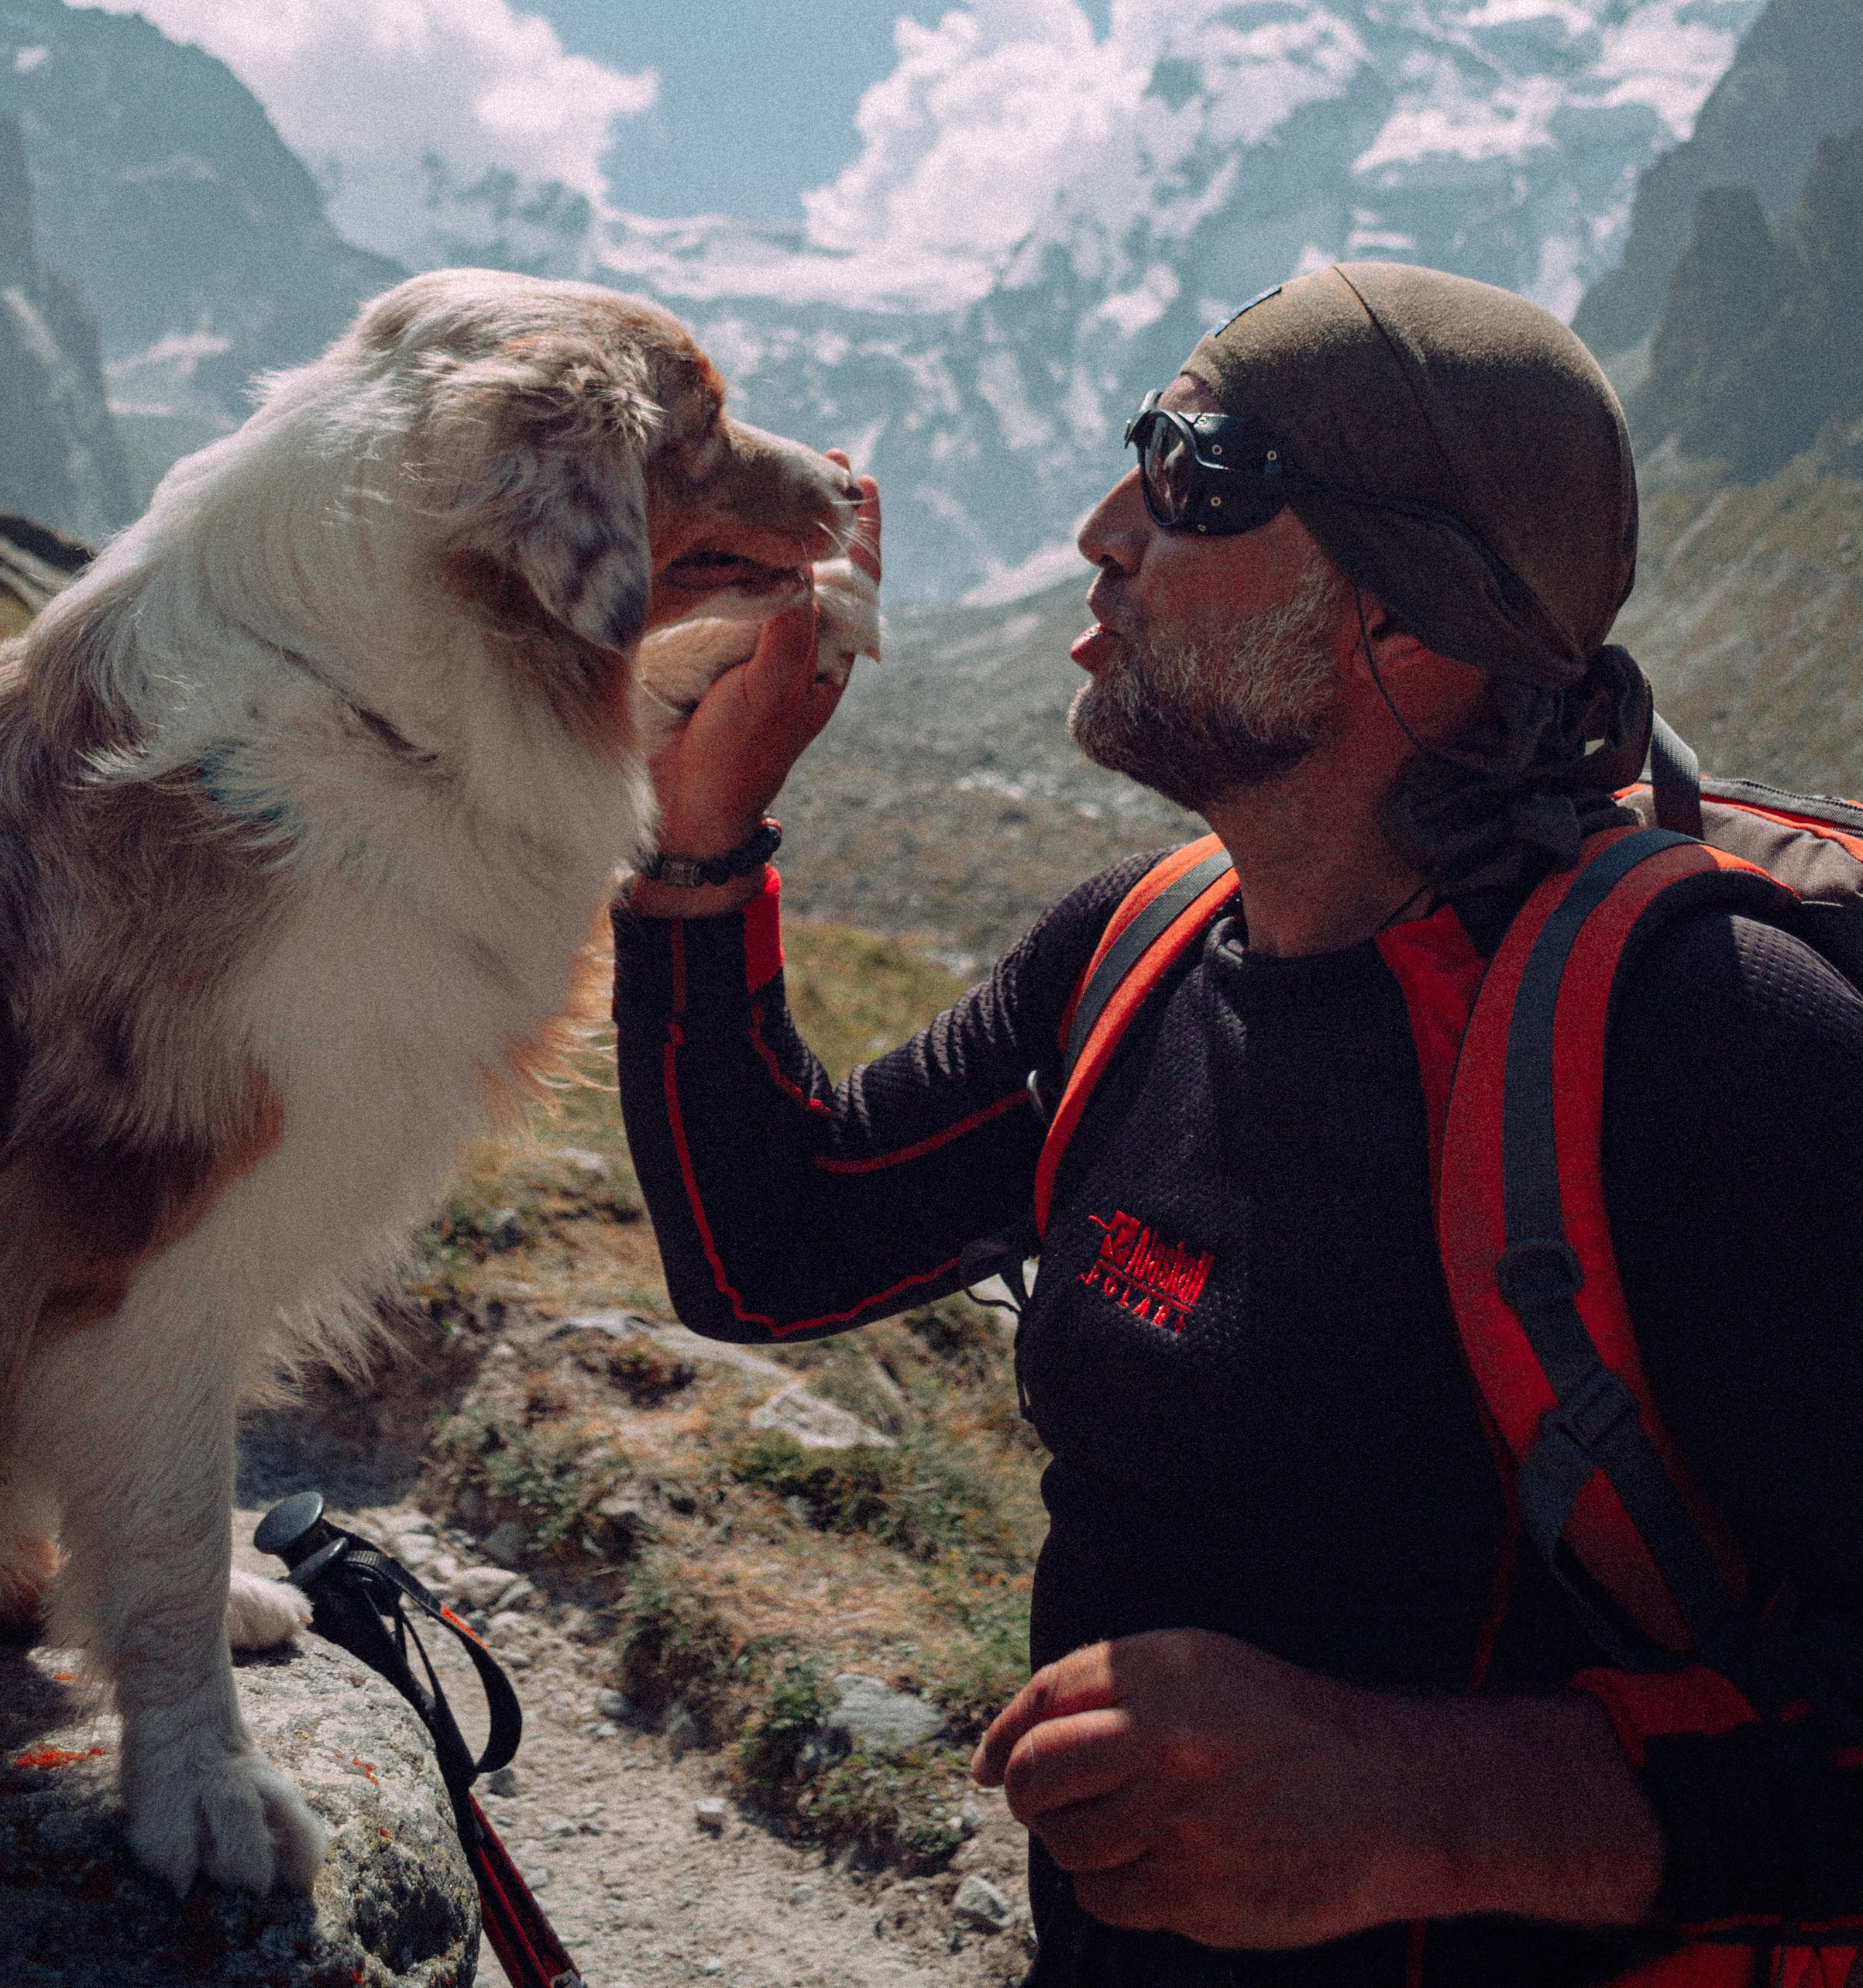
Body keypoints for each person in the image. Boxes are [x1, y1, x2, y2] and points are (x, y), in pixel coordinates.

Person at [608, 263, 1863, 1987]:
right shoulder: (1128, 949)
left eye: (1197, 477)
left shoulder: (1700, 1043)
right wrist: (699, 845)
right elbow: (768, 1253)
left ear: (1412, 618)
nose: (1100, 527)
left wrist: (1442, 1802)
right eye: (1143, 452)